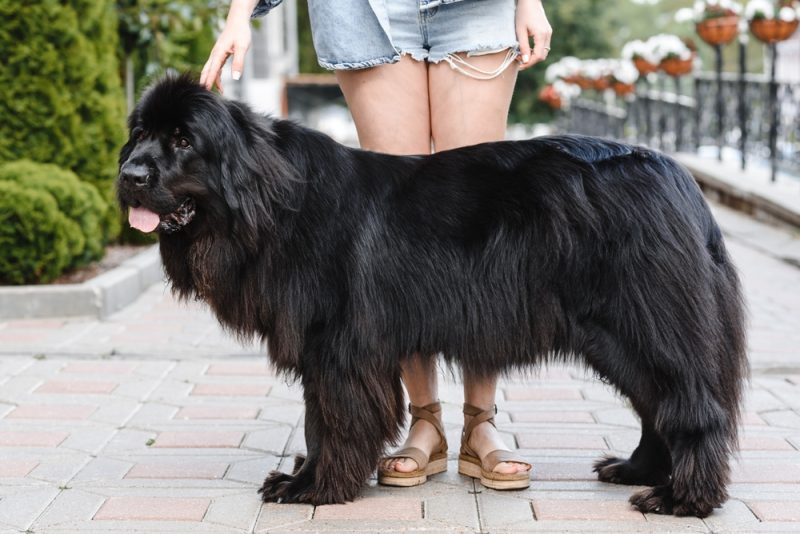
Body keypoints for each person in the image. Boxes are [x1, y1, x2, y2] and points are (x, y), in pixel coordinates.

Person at [201, 0, 552, 491]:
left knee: (475, 219)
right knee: (397, 230)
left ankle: (480, 423)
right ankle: (425, 420)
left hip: (474, 8)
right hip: (366, 13)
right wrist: (239, 15)